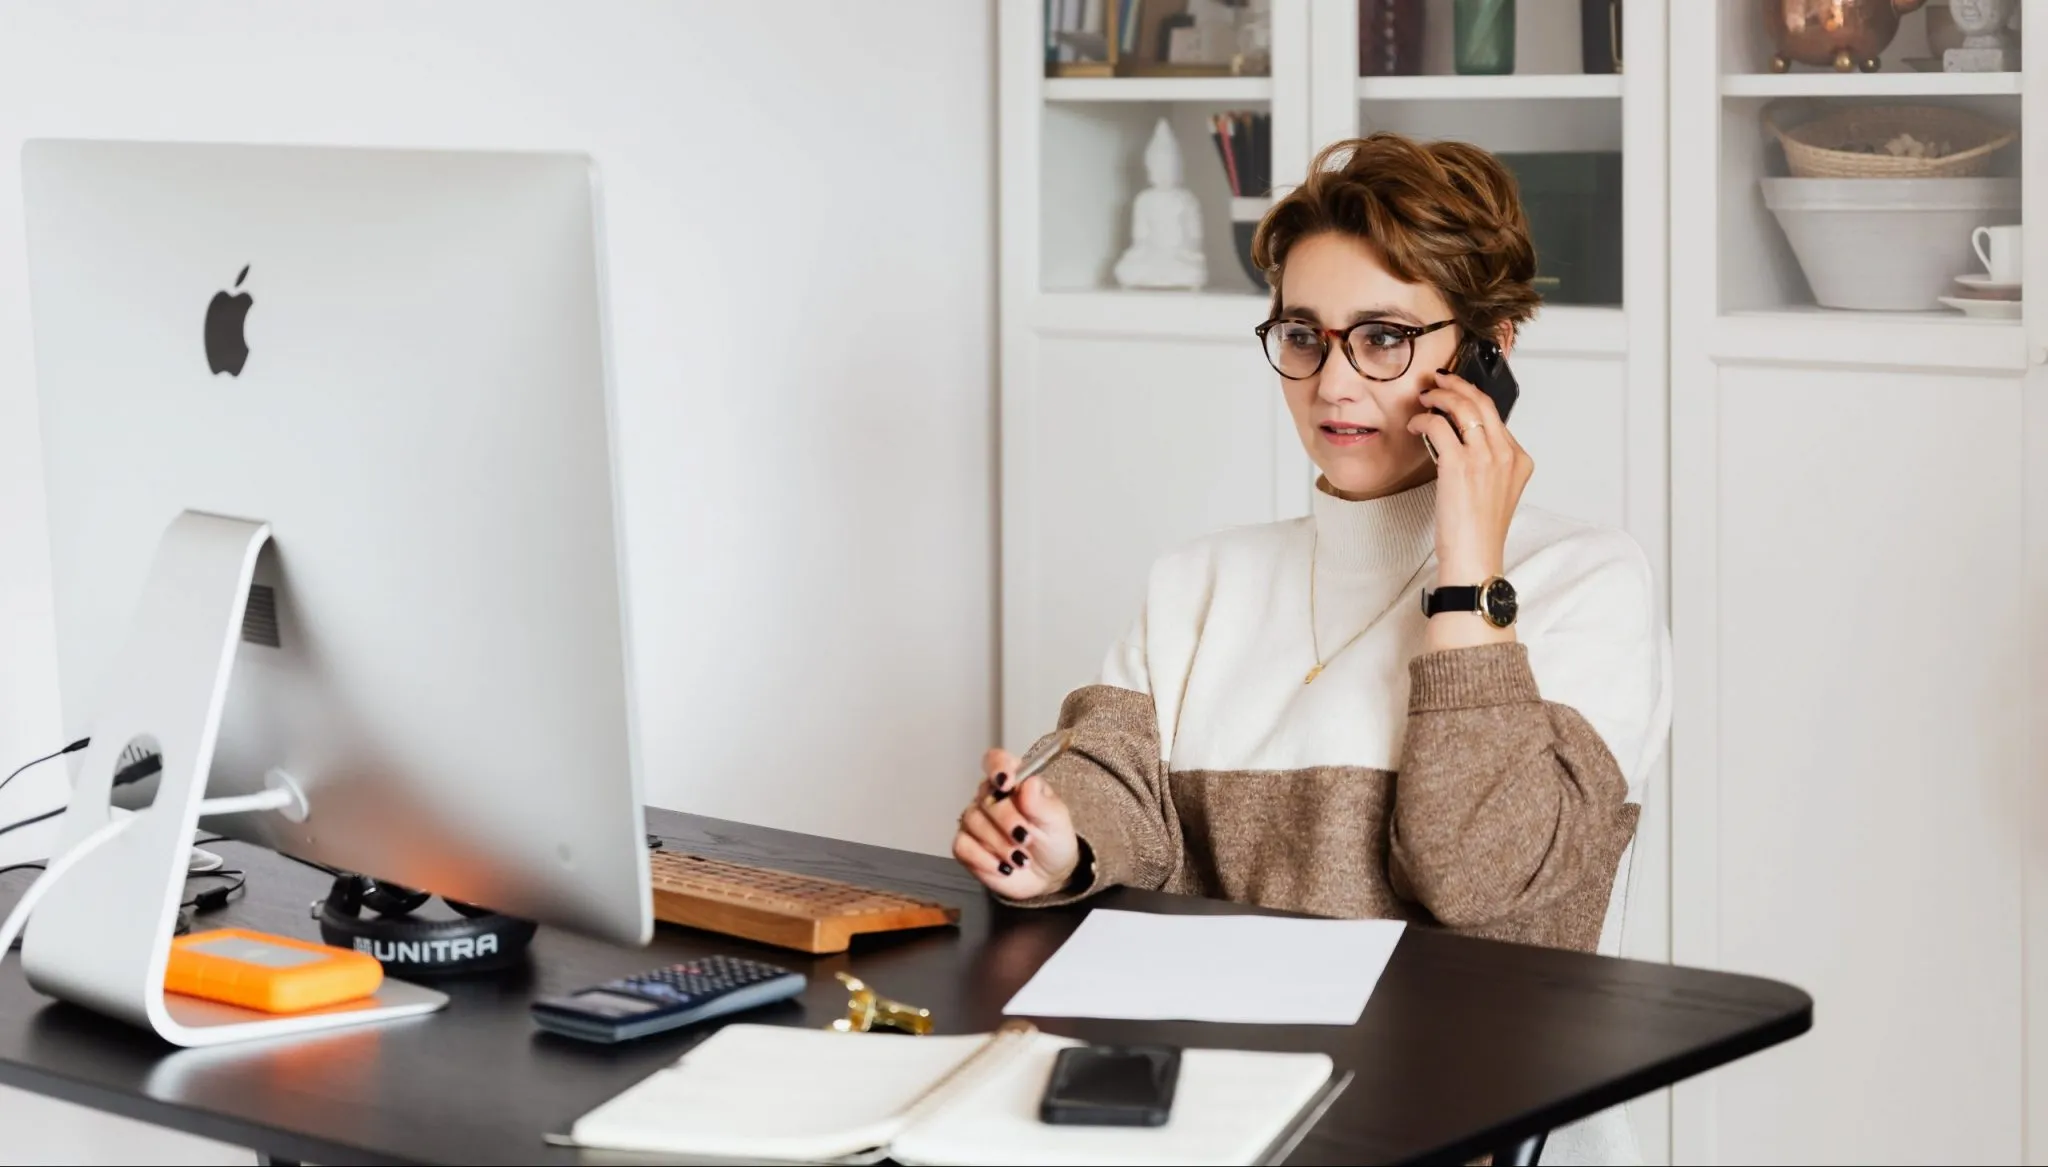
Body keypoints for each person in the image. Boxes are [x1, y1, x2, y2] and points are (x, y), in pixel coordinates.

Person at [952, 133, 1669, 1166]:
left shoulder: (1585, 582)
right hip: (1201, 1112)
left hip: (1446, 1124)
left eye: (1381, 338)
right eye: (1303, 335)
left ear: (1488, 353)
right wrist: (1057, 843)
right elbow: (1112, 786)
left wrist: (1466, 573)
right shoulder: (1198, 579)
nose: (1331, 382)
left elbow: (1483, 880)